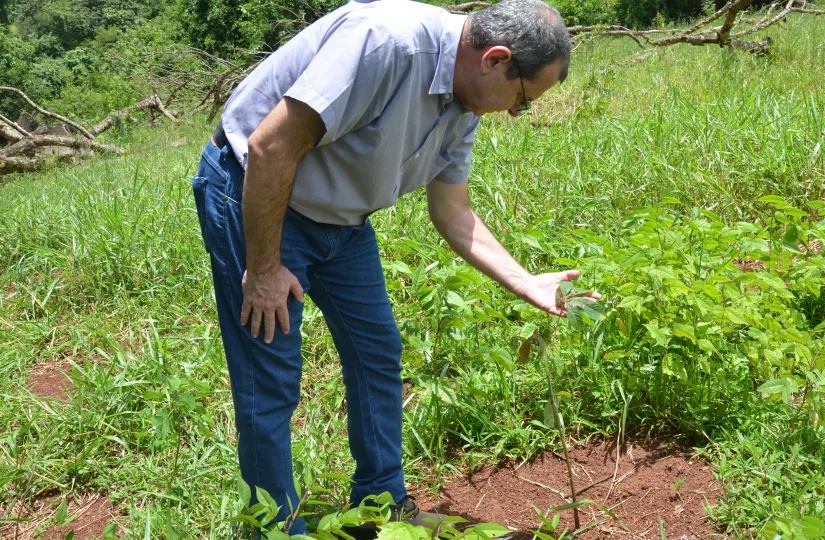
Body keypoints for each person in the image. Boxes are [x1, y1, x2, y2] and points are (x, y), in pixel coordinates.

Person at [191, 0, 598, 535]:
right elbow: (270, 147)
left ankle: (380, 509)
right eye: (522, 99)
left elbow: (453, 209)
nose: (515, 113)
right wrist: (263, 269)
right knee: (272, 376)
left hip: (341, 220)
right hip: (259, 194)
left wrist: (522, 279)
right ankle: (276, 528)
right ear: (495, 60)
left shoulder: (464, 99)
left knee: (377, 353)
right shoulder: (387, 42)